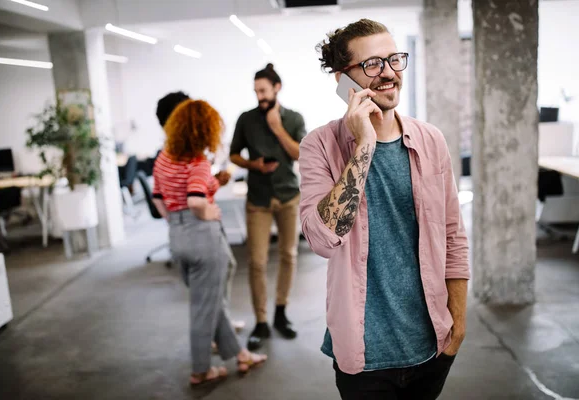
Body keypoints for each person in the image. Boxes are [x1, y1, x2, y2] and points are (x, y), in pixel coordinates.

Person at [298, 19, 470, 399]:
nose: (389, 73)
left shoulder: (431, 140)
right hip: (364, 355)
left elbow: (454, 235)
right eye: (373, 64)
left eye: (394, 59)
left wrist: (458, 325)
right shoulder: (319, 146)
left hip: (431, 344)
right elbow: (322, 240)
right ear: (345, 80)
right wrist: (363, 145)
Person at [152, 99, 266, 387]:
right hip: (203, 236)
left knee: (211, 301)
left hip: (178, 237)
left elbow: (158, 198)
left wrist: (176, 221)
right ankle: (200, 370)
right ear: (205, 130)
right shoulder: (198, 162)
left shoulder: (164, 158)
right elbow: (194, 199)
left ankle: (240, 354)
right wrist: (208, 212)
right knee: (204, 309)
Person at [229, 63, 307, 351]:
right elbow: (234, 155)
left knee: (289, 255)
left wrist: (276, 127)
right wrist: (253, 165)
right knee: (257, 262)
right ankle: (261, 321)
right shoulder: (246, 120)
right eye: (256, 91)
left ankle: (280, 313)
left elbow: (300, 153)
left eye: (263, 90)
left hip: (288, 195)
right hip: (258, 199)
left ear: (277, 88)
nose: (259, 96)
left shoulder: (294, 118)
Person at [155, 91, 245, 333]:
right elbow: (194, 199)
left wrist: (214, 182)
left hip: (187, 228)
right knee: (209, 288)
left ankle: (222, 329)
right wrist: (204, 214)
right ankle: (217, 338)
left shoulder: (170, 156)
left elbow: (163, 196)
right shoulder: (188, 157)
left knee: (218, 276)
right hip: (200, 227)